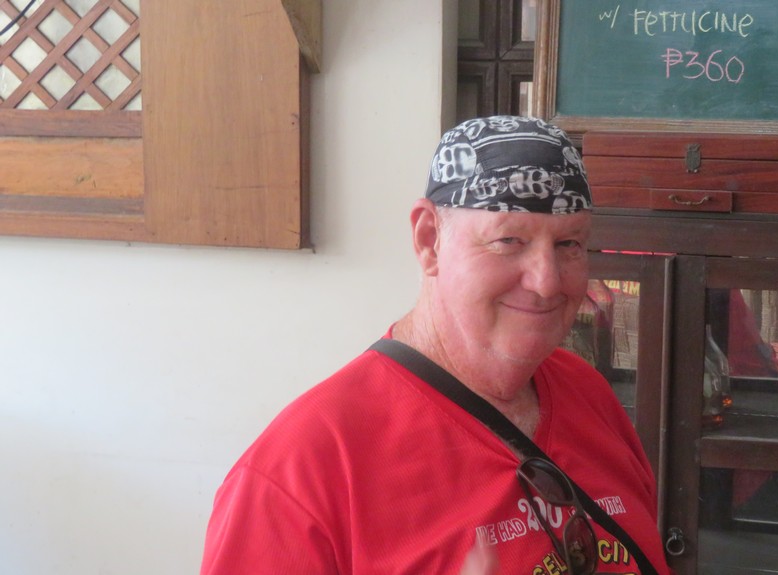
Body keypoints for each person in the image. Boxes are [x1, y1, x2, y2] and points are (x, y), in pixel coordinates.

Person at [199, 116, 671, 574]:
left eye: (569, 244)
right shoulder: (302, 471)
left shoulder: (589, 395)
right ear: (429, 240)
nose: (546, 282)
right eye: (509, 240)